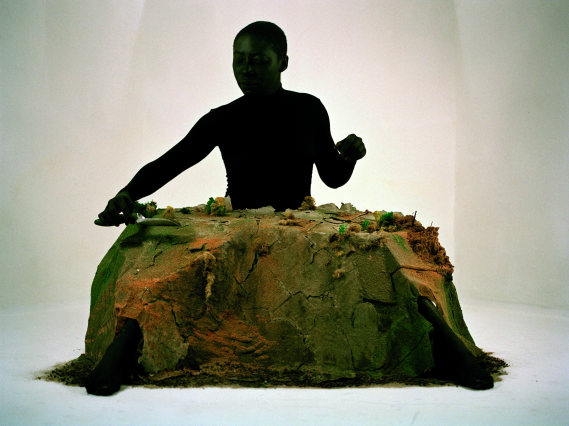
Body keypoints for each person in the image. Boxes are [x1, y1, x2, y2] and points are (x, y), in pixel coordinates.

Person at [86, 21, 492, 395]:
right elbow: (169, 163)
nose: (247, 70)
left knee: (385, 255)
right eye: (239, 60)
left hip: (303, 224)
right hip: (238, 223)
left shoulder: (308, 109)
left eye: (258, 61)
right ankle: (125, 347)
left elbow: (332, 177)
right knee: (166, 260)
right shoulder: (222, 119)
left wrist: (349, 157)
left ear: (282, 62)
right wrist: (127, 194)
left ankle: (445, 340)